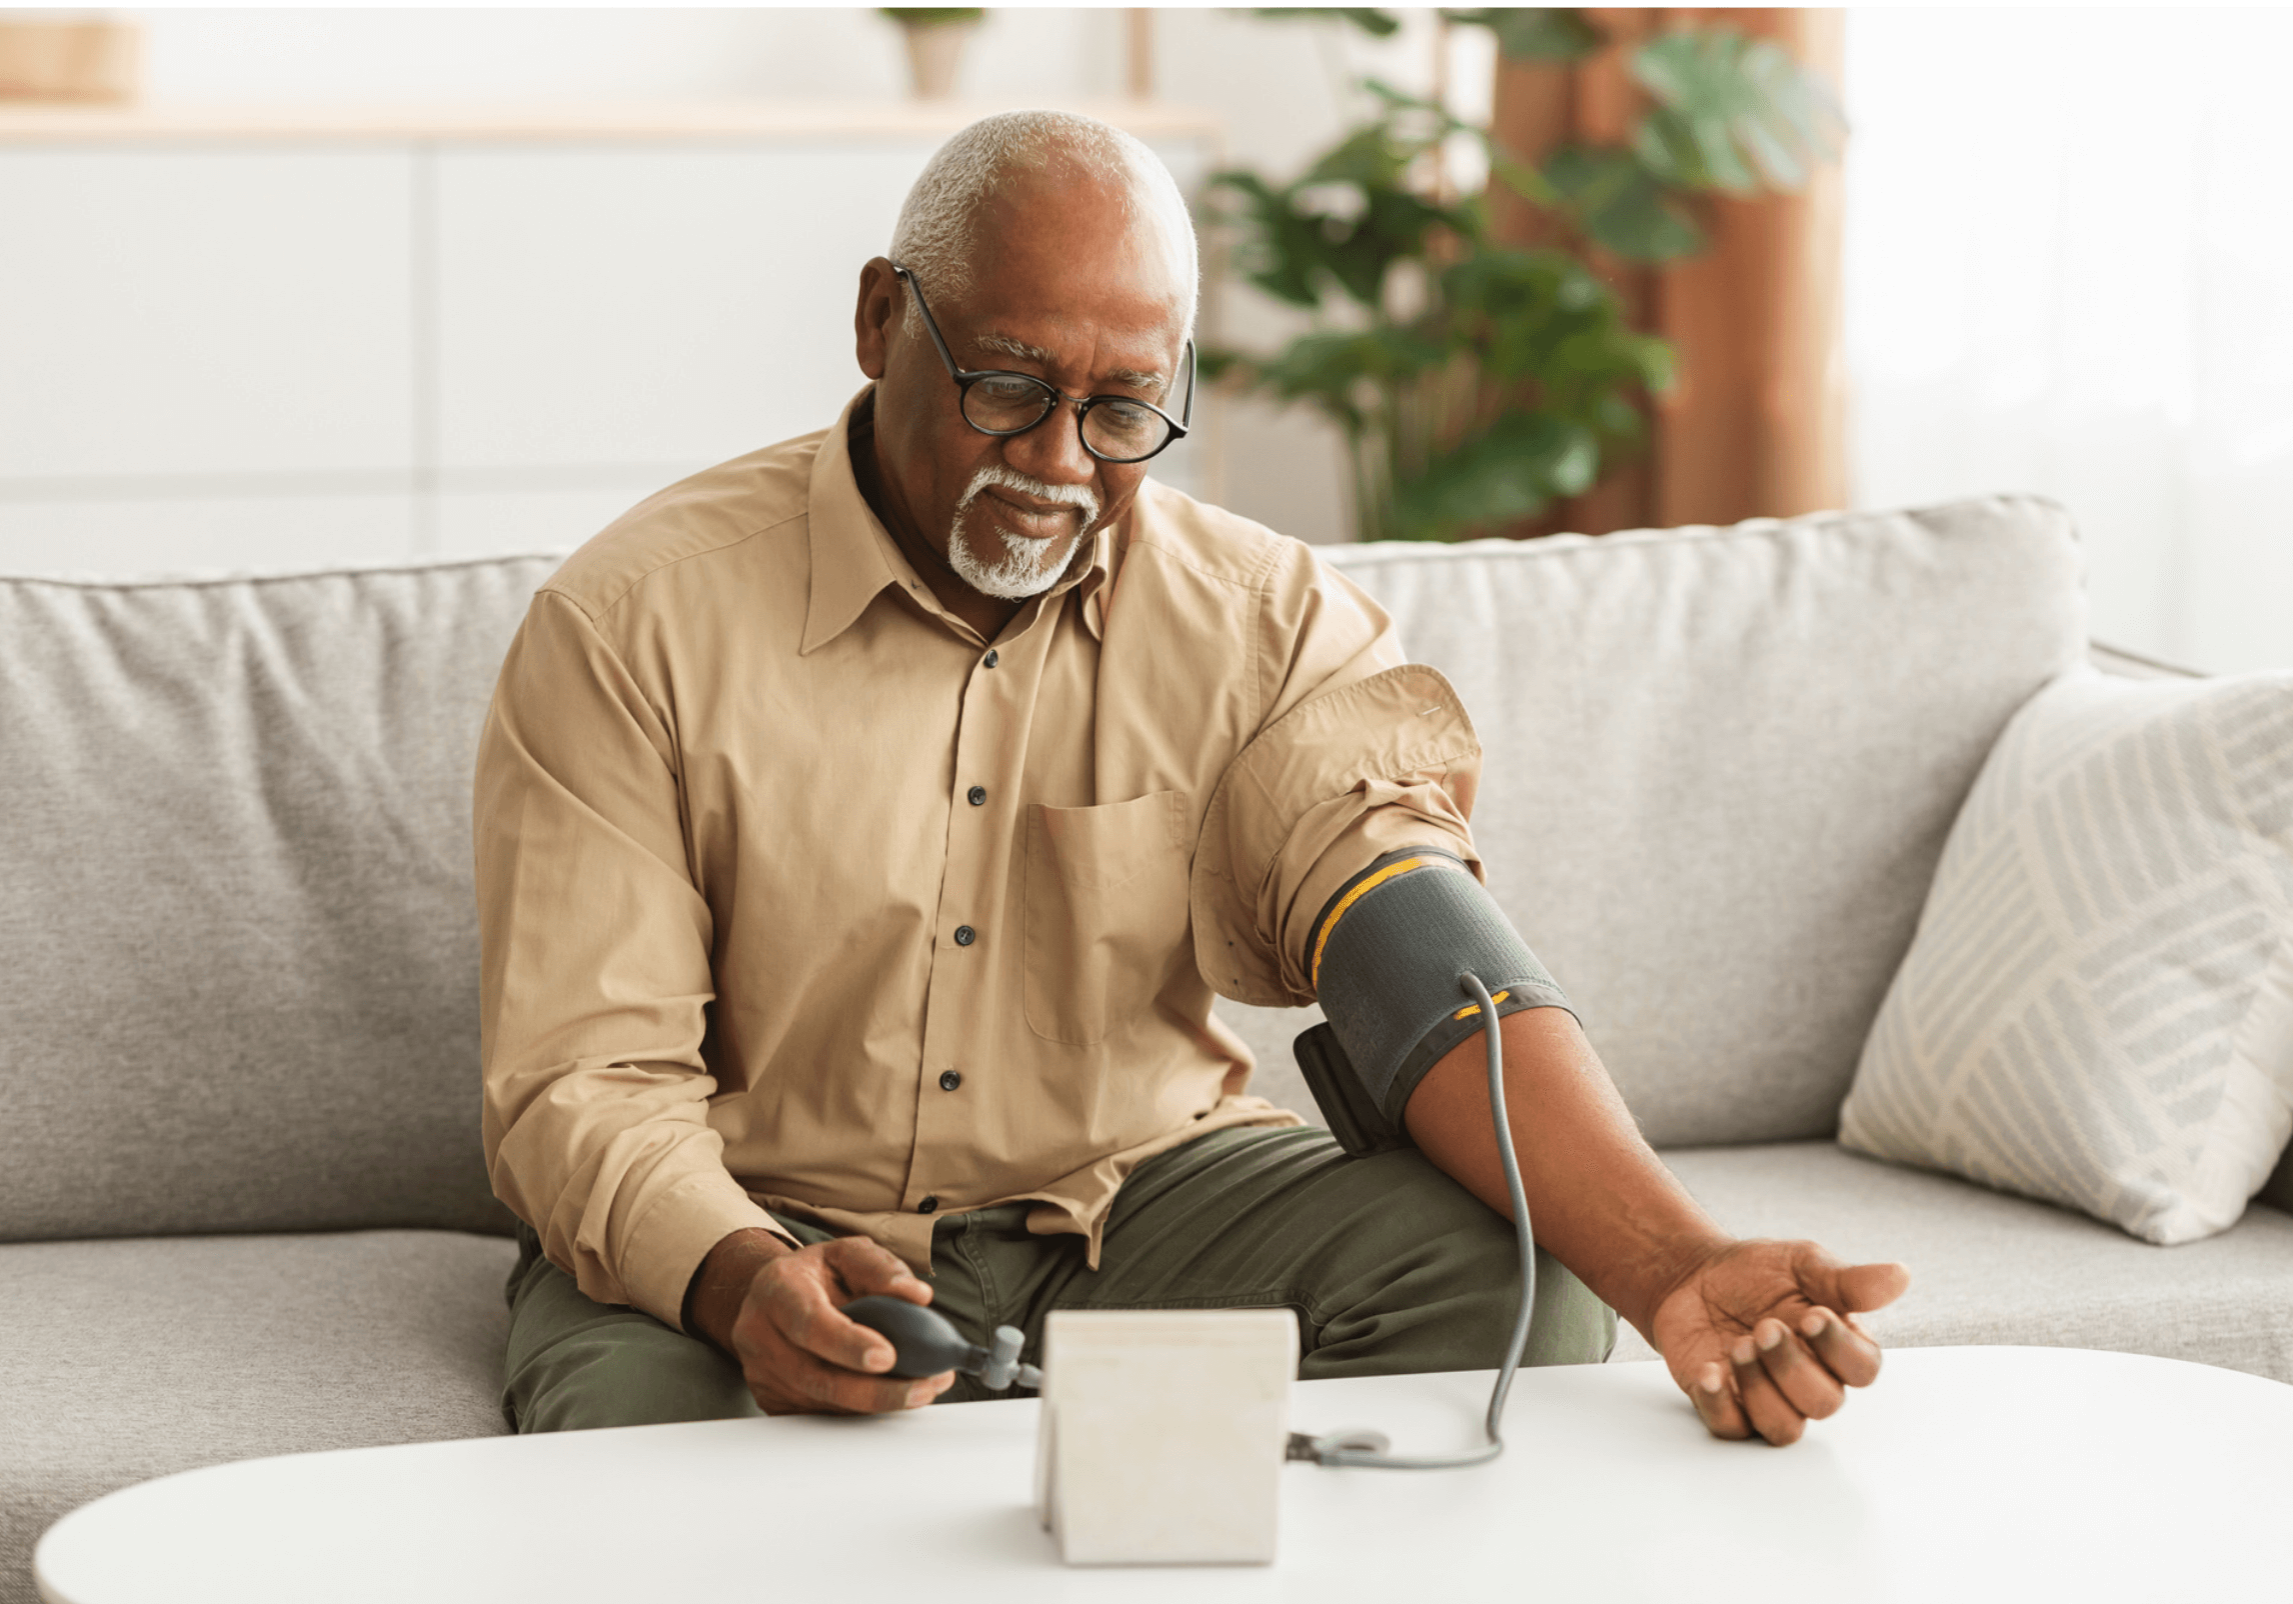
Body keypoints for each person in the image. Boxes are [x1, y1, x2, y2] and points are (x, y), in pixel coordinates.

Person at [475, 109, 1907, 1450]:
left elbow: (1415, 956)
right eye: (1007, 384)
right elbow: (584, 1081)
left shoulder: (1268, 623)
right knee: (636, 1445)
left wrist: (1675, 1263)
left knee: (1511, 1282)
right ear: (876, 322)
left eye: (1121, 408)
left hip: (1134, 1203)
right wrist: (735, 1280)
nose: (1055, 459)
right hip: (755, 1211)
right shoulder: (633, 624)